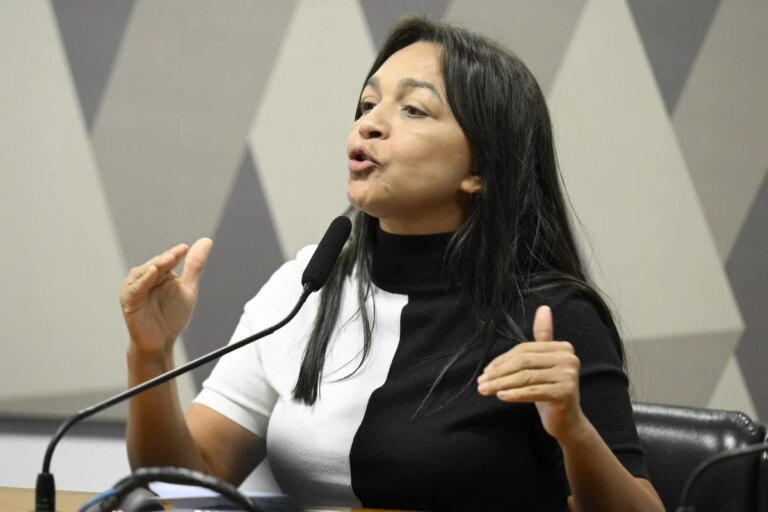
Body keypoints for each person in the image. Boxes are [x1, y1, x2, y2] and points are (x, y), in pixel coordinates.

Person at [120, 16, 663, 512]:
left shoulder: (551, 316)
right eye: (367, 105)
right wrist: (150, 354)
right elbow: (187, 480)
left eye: (413, 109)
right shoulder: (305, 288)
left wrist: (574, 432)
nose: (370, 124)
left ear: (480, 169)